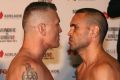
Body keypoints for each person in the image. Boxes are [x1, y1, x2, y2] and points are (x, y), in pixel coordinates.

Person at [6, 2, 62, 80]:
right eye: (57, 24)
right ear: (42, 28)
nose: (60, 30)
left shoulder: (31, 63)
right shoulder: (31, 67)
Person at [68, 8, 120, 80]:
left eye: (75, 27)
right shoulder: (80, 69)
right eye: (71, 27)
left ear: (94, 31)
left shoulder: (103, 71)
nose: (69, 33)